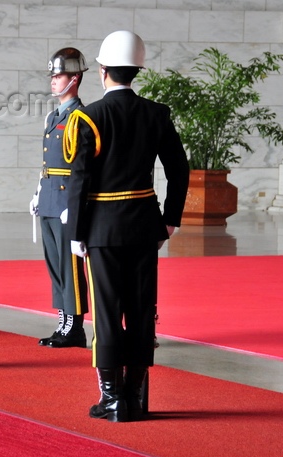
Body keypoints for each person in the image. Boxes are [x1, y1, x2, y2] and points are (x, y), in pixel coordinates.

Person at [63, 31, 190, 422]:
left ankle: (112, 398)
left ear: (102, 71)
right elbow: (179, 169)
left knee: (106, 314)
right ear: (137, 70)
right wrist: (170, 219)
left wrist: (76, 233)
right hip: (143, 227)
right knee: (140, 311)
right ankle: (134, 396)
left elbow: (80, 180)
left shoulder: (88, 117)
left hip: (101, 229)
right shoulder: (156, 114)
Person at [30, 48, 89, 348]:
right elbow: (47, 161)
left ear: (75, 79)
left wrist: (75, 206)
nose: (54, 81)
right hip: (51, 197)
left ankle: (75, 326)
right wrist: (39, 190)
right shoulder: (53, 117)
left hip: (68, 200)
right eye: (53, 76)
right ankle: (62, 321)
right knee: (54, 263)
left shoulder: (82, 117)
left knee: (70, 265)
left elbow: (83, 167)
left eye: (59, 76)